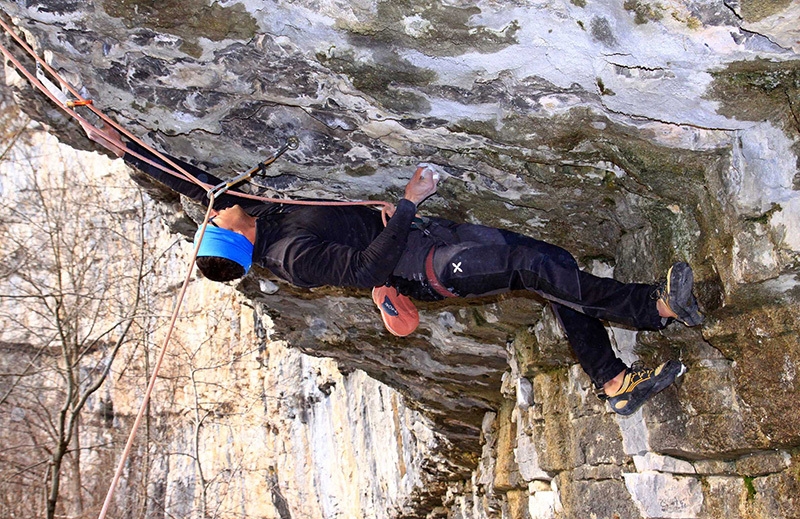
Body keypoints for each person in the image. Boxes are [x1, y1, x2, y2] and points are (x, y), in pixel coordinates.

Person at [85, 125, 703, 416]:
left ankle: (612, 381)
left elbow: (193, 182)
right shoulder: (289, 256)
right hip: (426, 267)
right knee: (533, 265)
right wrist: (408, 200)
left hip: (427, 244)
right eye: (218, 217)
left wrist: (119, 142)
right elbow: (364, 270)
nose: (217, 207)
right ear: (234, 234)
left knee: (555, 267)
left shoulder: (263, 217)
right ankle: (655, 308)